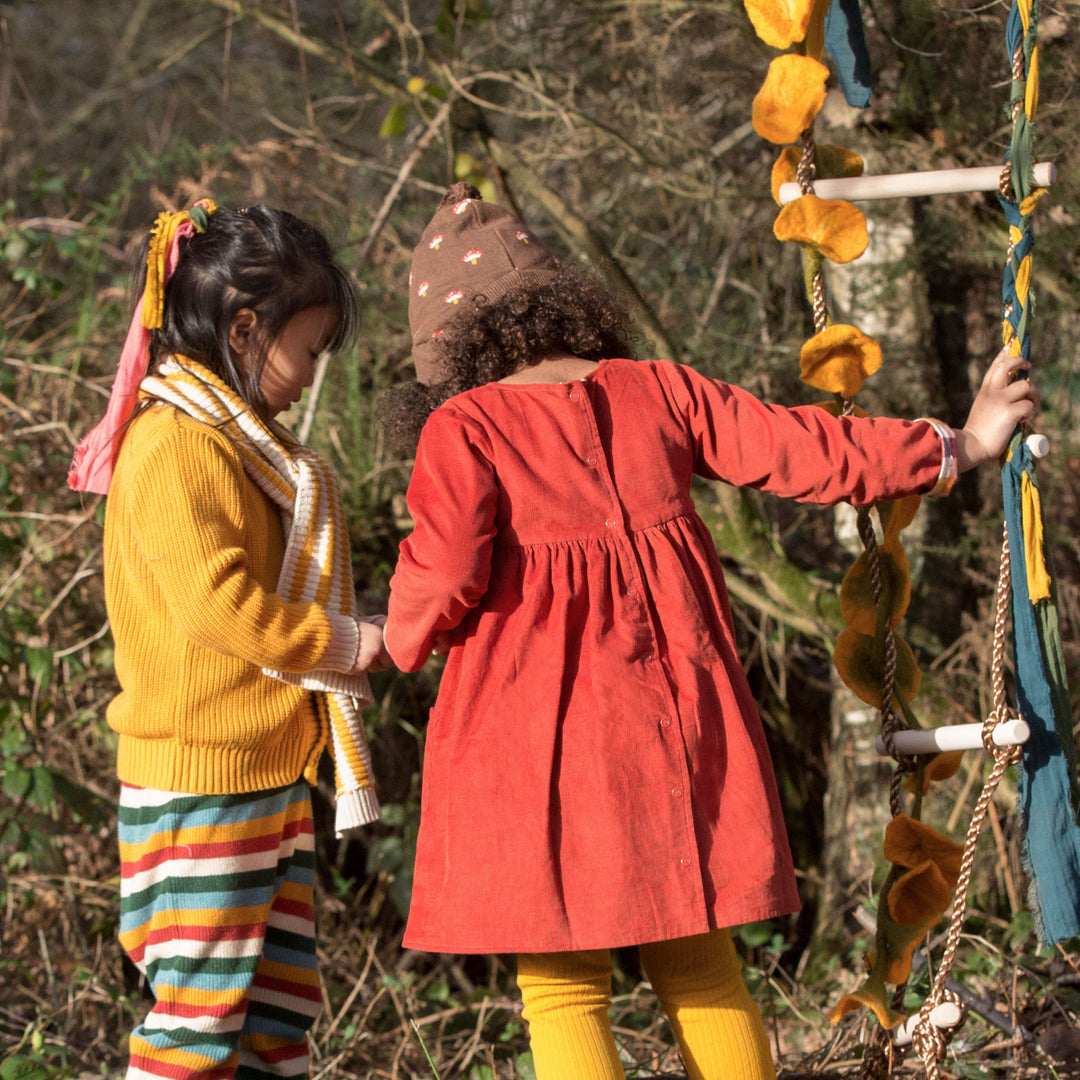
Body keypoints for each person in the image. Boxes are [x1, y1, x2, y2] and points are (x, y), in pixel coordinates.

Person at [379, 182, 1039, 1080]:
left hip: (530, 738)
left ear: (447, 348)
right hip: (672, 719)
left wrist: (400, 635)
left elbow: (447, 565)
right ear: (568, 306)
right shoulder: (662, 391)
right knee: (697, 958)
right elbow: (809, 451)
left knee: (564, 985)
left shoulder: (465, 426)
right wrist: (956, 444)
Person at [68, 200, 388, 1080]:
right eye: (309, 350)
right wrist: (348, 643)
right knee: (198, 1023)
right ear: (246, 329)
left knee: (275, 1018)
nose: (312, 374)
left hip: (260, 771)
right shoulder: (176, 444)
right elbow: (220, 605)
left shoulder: (232, 443)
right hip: (201, 779)